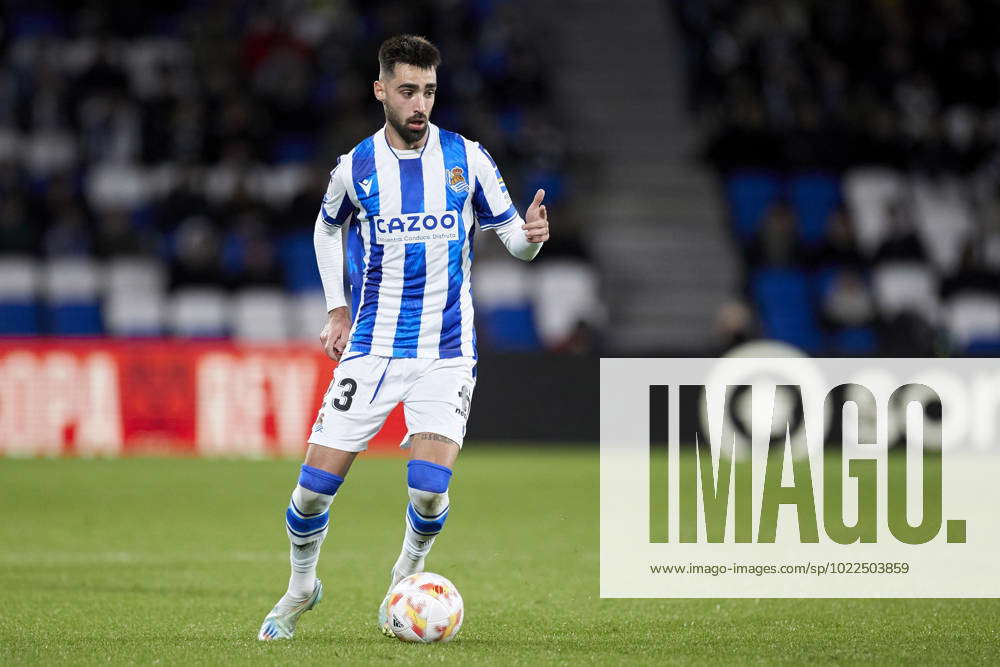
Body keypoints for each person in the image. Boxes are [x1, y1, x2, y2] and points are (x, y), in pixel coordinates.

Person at [258, 34, 549, 640]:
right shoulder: (354, 168)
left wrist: (532, 237)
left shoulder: (467, 159)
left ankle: (406, 572)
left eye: (430, 92)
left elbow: (514, 244)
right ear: (381, 91)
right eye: (409, 91)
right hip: (371, 347)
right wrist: (337, 308)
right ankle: (300, 587)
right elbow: (324, 230)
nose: (421, 104)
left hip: (446, 353)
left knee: (428, 490)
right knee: (311, 495)